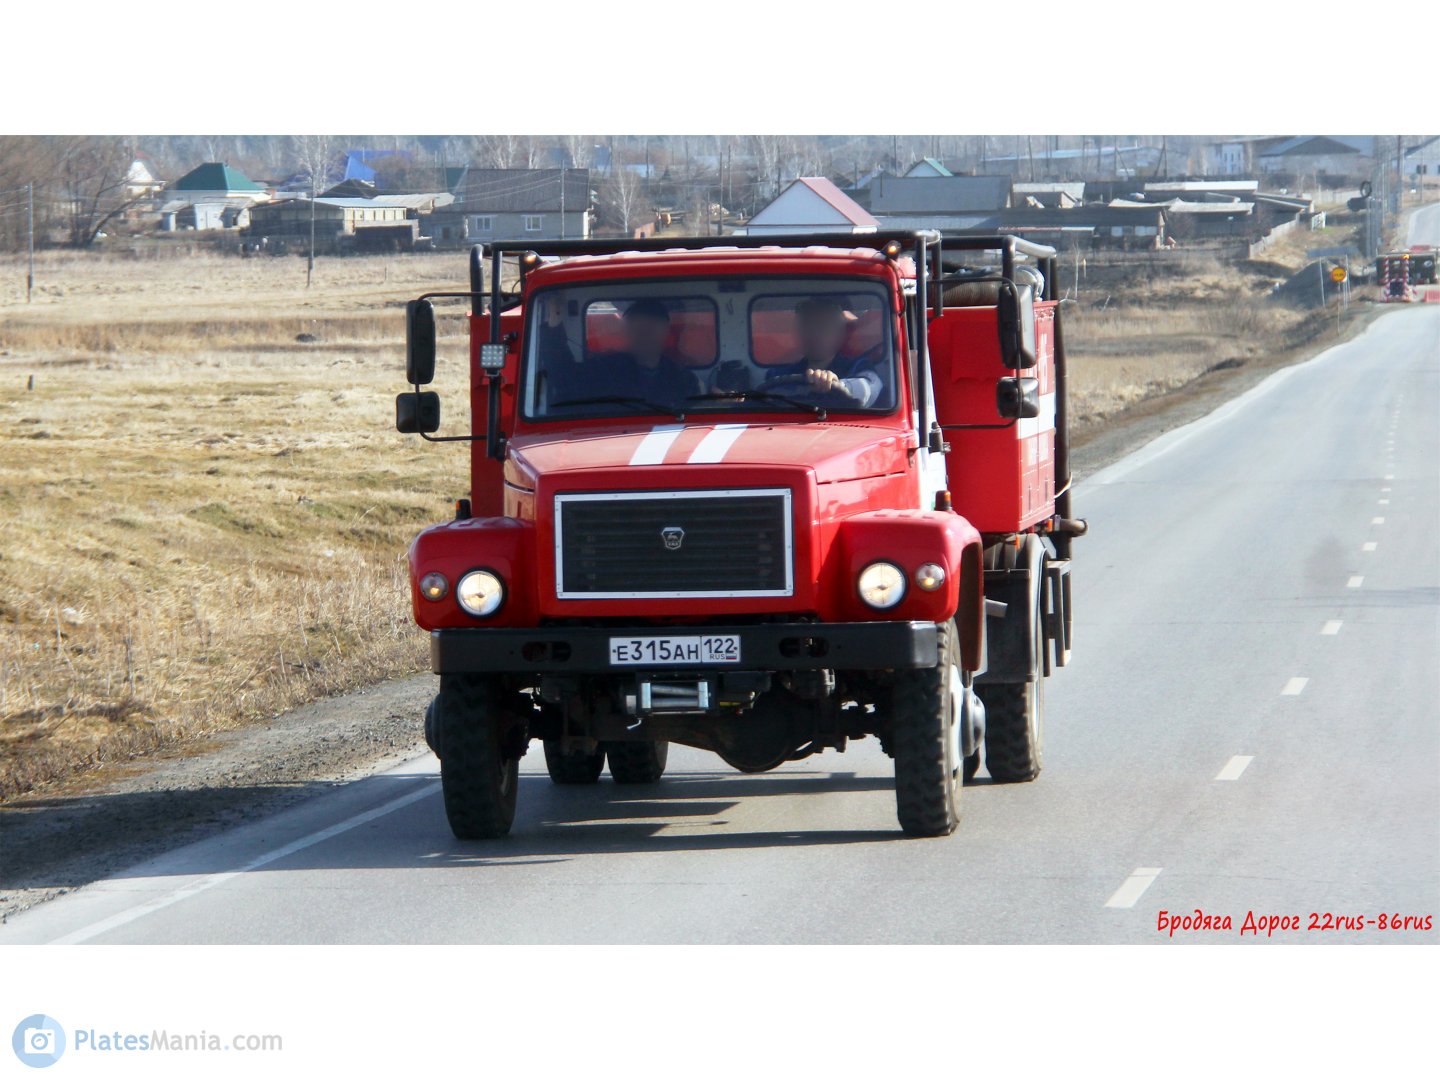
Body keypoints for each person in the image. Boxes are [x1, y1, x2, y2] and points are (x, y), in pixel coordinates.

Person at [540, 297, 700, 410]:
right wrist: (555, 326)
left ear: (666, 331)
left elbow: (692, 422)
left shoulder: (683, 379)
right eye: (637, 329)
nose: (644, 335)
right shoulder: (603, 370)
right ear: (627, 332)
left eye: (652, 328)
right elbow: (563, 376)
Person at [763, 296, 885, 407]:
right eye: (806, 327)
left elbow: (870, 388)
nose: (814, 334)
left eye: (823, 327)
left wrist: (838, 385)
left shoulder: (858, 367)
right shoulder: (778, 376)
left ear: (840, 334)